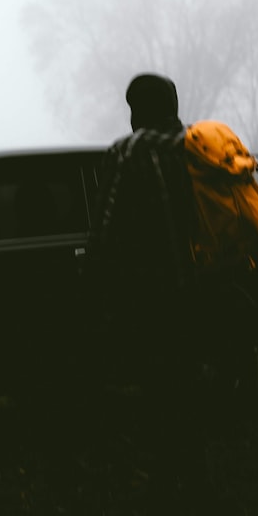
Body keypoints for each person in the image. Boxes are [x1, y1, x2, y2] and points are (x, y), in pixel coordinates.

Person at [88, 73, 200, 386]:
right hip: (206, 269)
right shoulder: (199, 142)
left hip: (153, 278)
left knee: (154, 362)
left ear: (139, 111)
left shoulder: (128, 150)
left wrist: (93, 271)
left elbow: (104, 226)